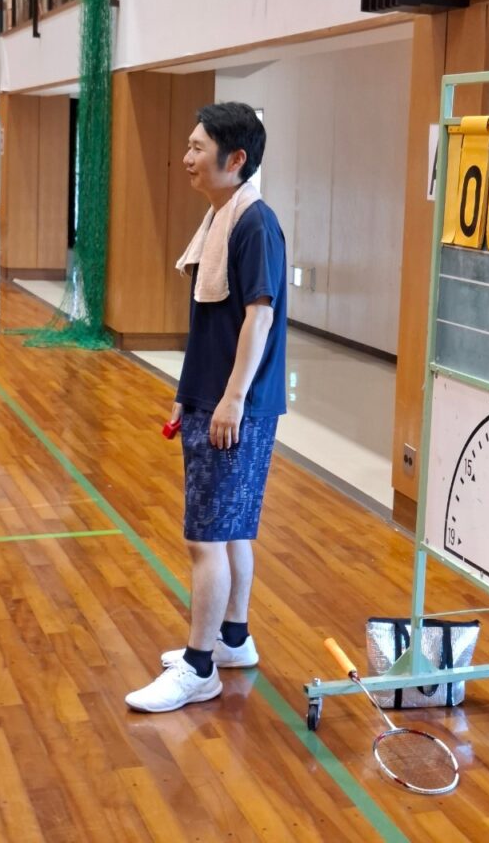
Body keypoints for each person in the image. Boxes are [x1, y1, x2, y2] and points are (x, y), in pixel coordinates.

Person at [126, 102, 287, 713]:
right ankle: (232, 640)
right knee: (231, 528)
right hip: (212, 398)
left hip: (234, 406)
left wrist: (232, 399)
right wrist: (189, 393)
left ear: (235, 158)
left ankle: (199, 669)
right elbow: (213, 326)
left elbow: (259, 317)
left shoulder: (254, 224)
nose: (187, 158)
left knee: (206, 539)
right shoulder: (220, 216)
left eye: (198, 148)